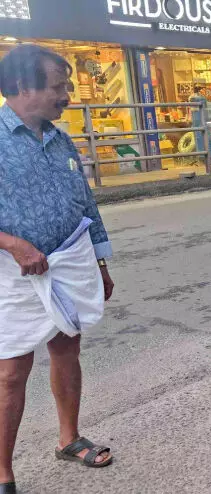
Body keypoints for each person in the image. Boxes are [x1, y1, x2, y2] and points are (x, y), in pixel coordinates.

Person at [0, 44, 115, 492]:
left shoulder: (60, 138)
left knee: (67, 349)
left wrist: (99, 263)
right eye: (58, 86)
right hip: (14, 274)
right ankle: (3, 472)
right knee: (11, 371)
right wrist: (12, 244)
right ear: (22, 86)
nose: (67, 94)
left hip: (69, 264)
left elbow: (85, 204)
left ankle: (69, 438)